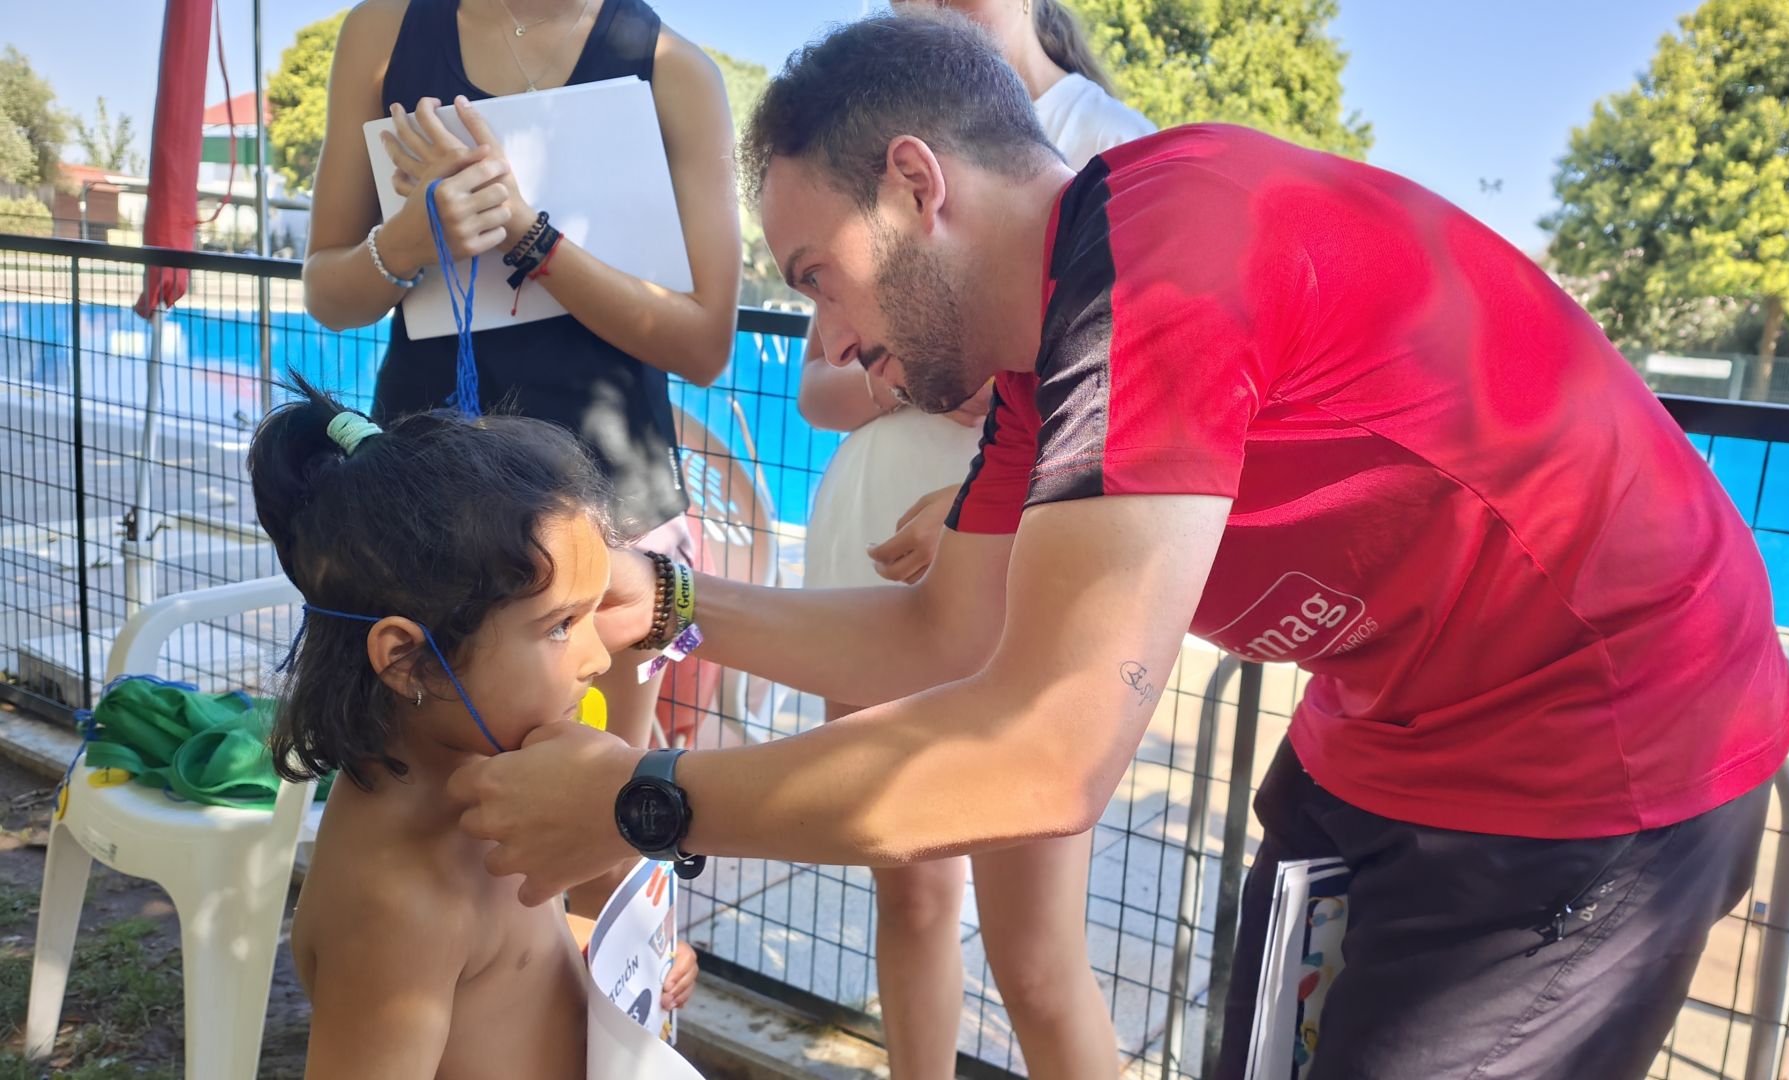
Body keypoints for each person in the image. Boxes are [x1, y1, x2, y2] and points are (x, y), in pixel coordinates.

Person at [447, 12, 1789, 1079]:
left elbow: (1045, 754)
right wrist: (669, 594)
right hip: (1382, 725)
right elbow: (937, 638)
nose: (833, 343)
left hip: (1602, 745)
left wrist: (643, 799)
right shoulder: (1039, 363)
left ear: (917, 186)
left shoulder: (1168, 249)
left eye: (815, 278)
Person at [299, 0, 741, 914]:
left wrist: (532, 240)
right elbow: (329, 292)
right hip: (427, 514)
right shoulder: (383, 31)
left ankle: (587, 1040)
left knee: (594, 848)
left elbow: (704, 341)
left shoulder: (674, 72)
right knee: (408, 820)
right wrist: (406, 243)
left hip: (606, 519)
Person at [793, 1, 1151, 1074]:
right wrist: (910, 370)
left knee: (1033, 948)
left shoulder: (1111, 151)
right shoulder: (864, 160)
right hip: (893, 532)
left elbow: (1108, 400)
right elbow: (823, 378)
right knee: (901, 873)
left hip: (1031, 544)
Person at [251, 375, 697, 1078]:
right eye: (558, 628)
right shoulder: (399, 906)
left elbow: (505, 969)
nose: (597, 655)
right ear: (411, 661)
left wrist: (615, 954)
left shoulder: (489, 788)